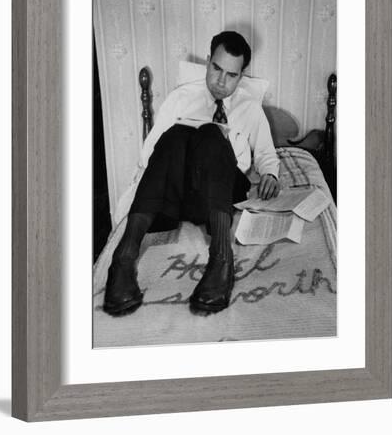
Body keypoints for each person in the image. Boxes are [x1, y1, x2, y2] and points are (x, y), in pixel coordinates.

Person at [103, 30, 280, 317]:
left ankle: (222, 258)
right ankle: (124, 257)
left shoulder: (250, 108)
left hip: (221, 194)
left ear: (242, 75)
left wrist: (270, 175)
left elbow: (266, 155)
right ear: (208, 62)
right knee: (175, 136)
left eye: (231, 75)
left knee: (212, 133)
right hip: (177, 194)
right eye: (216, 69)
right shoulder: (180, 98)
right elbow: (150, 155)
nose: (221, 81)